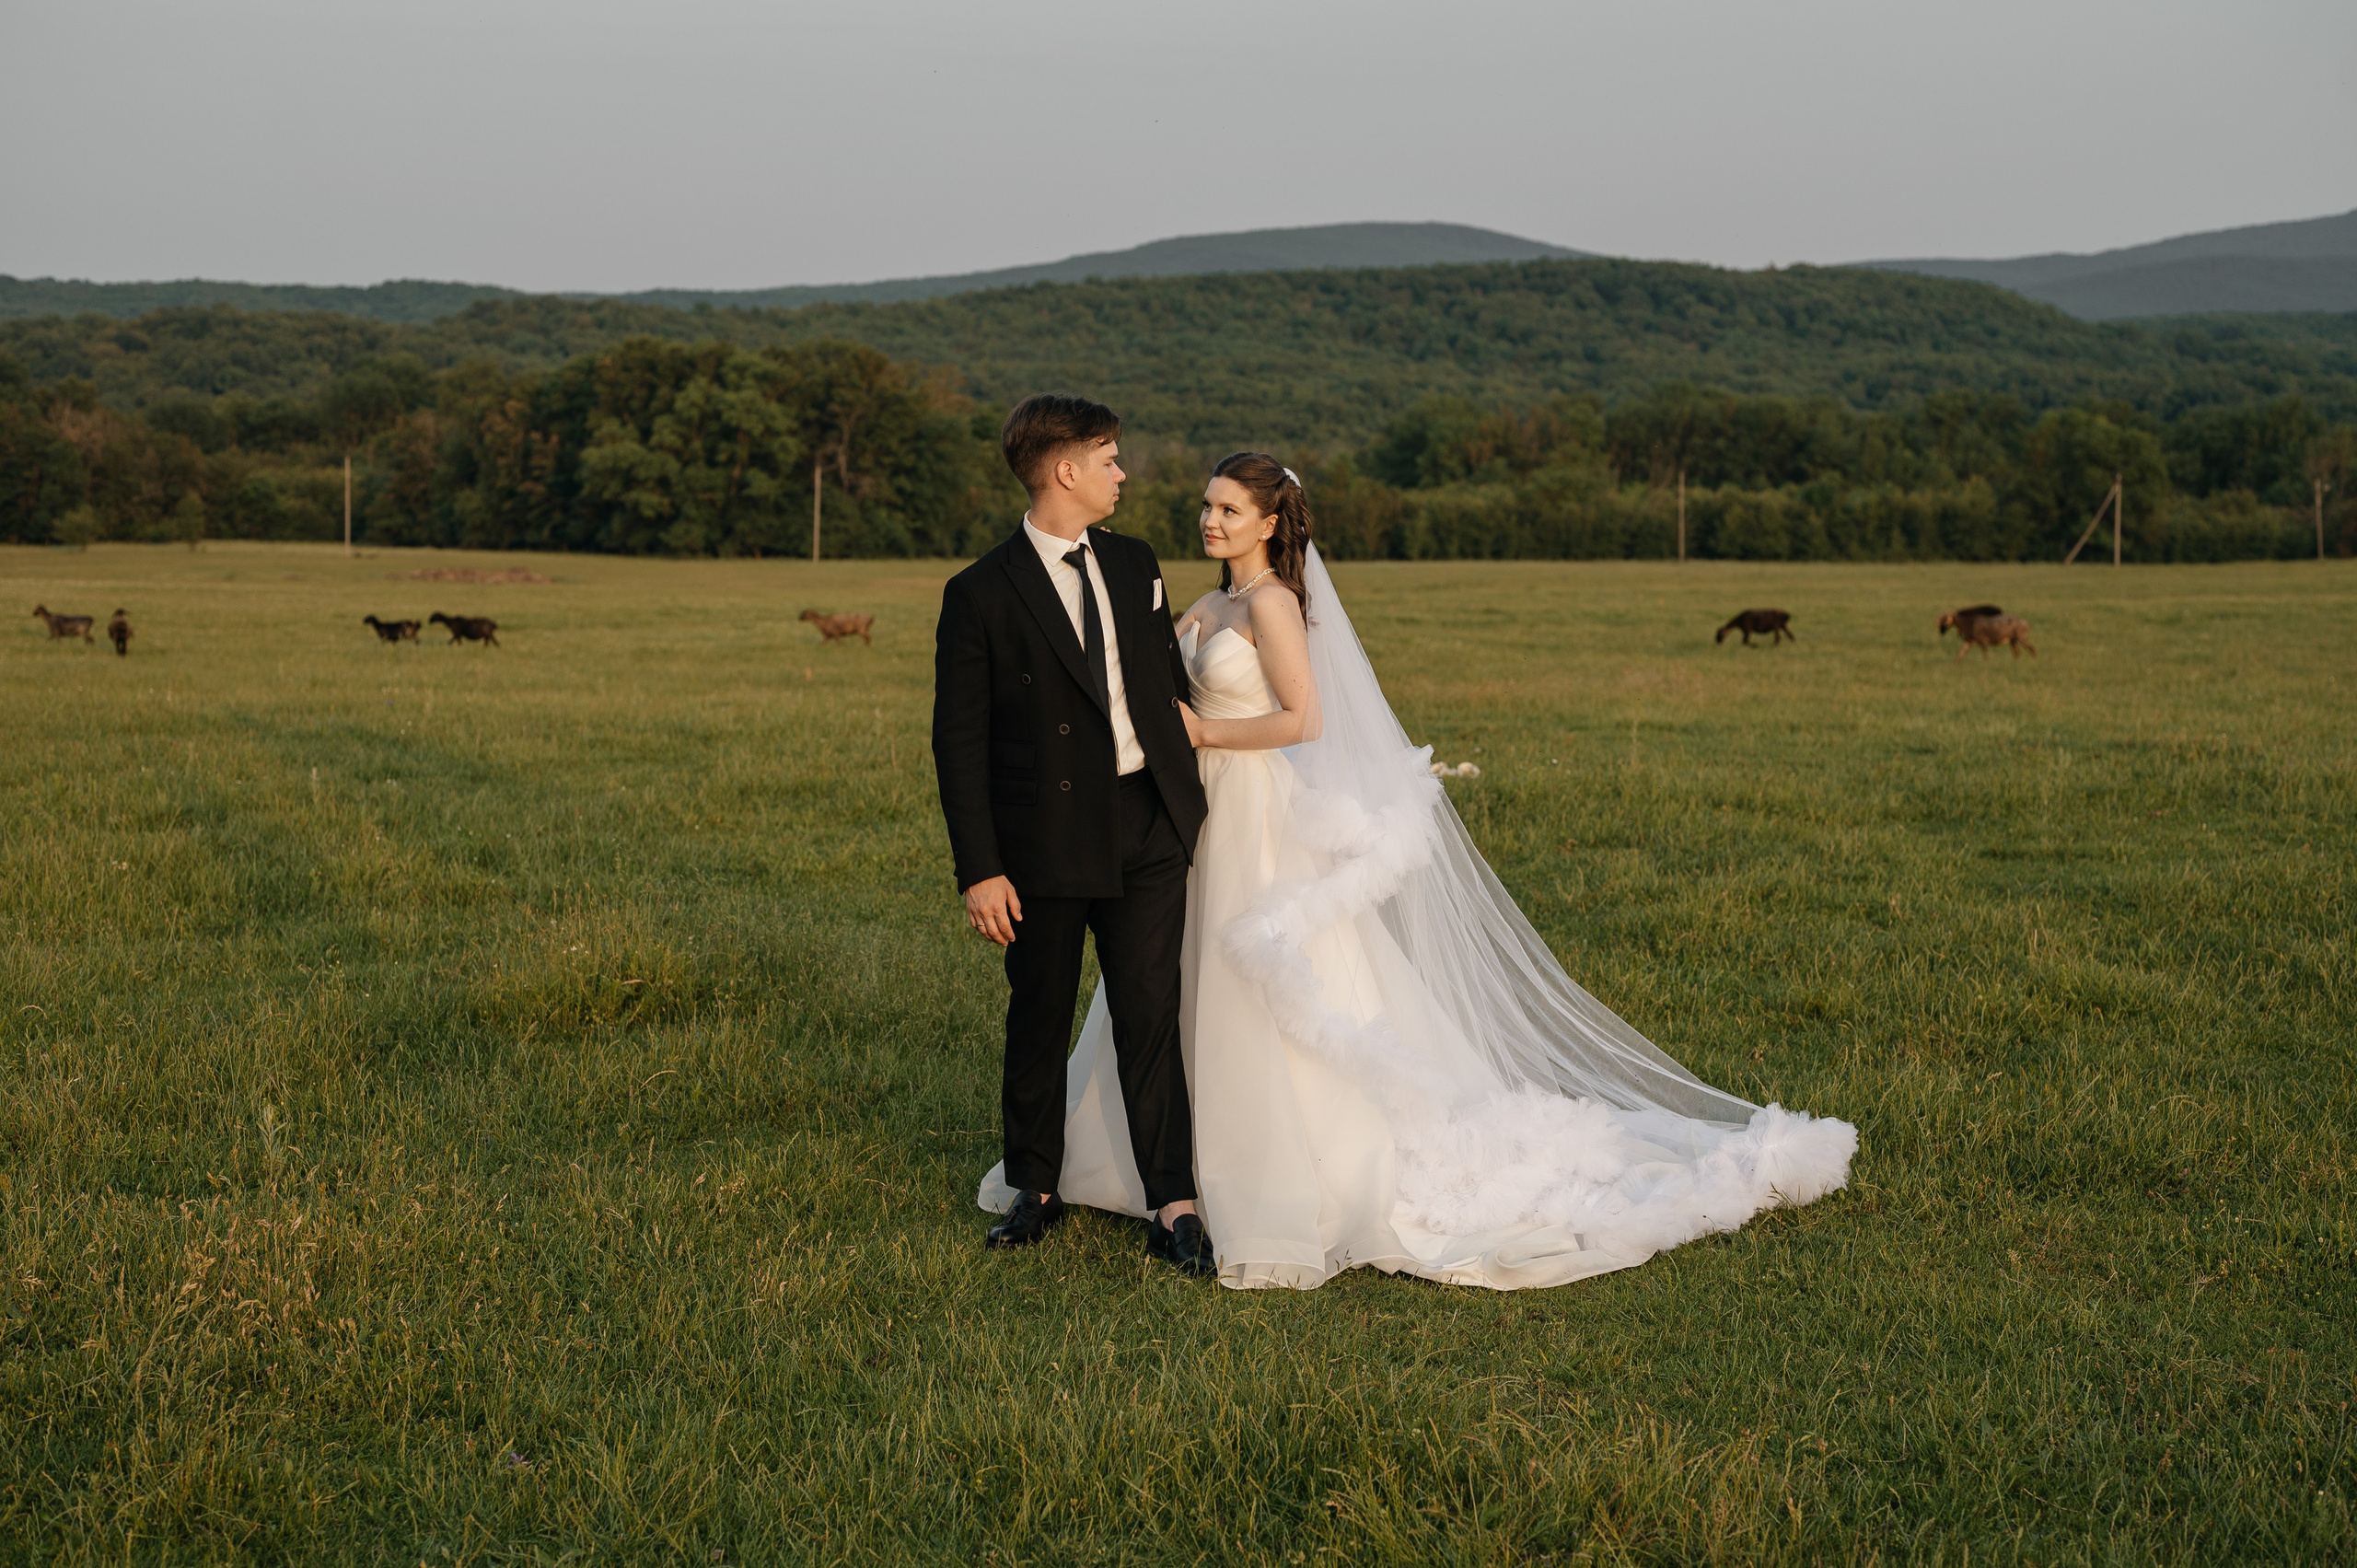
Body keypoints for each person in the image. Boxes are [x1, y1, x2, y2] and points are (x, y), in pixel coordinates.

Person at [1015, 452, 1859, 1290]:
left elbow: (1301, 719)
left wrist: (1203, 735)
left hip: (1252, 811)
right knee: (1173, 981)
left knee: (1258, 979)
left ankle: (1286, 1164)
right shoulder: (1209, 598)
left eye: (1230, 510)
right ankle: (1165, 1165)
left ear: (1270, 523)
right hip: (1193, 814)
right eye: (1208, 505)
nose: (1211, 520)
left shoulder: (1271, 603)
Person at [933, 394, 1216, 1273]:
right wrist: (981, 869)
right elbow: (960, 741)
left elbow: (1164, 686)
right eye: (1108, 458)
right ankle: (1037, 1187)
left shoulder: (1135, 565)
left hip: (1147, 824)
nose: (1121, 472)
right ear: (1065, 471)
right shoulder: (979, 591)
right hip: (1043, 841)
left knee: (1150, 1014)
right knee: (1041, 1011)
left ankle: (1174, 1201)